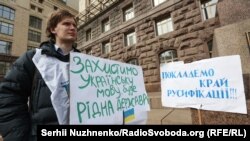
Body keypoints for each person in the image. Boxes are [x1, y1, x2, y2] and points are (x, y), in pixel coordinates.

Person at [0, 9, 79, 141]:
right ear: (53, 29)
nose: (72, 28)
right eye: (66, 24)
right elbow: (8, 98)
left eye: (75, 25)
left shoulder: (86, 63)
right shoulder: (33, 58)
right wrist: (20, 136)